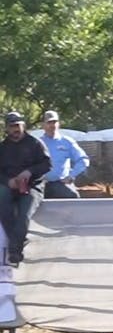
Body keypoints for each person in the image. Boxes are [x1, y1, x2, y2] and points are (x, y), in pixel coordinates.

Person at [0, 111, 53, 267]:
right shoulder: (2, 147)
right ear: (7, 129)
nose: (15, 129)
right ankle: (18, 243)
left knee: (24, 214)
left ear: (23, 125)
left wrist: (29, 172)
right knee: (3, 208)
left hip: (32, 186)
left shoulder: (35, 144)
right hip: (9, 186)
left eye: (18, 125)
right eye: (12, 126)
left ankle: (15, 250)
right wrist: (7, 181)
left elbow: (47, 164)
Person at [37, 110, 90, 199]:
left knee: (73, 197)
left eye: (55, 122)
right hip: (42, 184)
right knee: (28, 200)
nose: (52, 125)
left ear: (58, 124)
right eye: (49, 122)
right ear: (43, 125)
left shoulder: (67, 142)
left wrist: (71, 175)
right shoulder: (38, 143)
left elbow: (83, 160)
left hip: (60, 184)